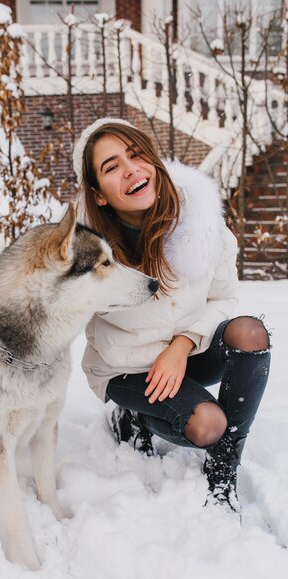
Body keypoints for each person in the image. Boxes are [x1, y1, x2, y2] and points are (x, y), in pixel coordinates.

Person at [73, 118, 271, 514]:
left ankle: (223, 468)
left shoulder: (199, 221)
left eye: (136, 154)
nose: (131, 169)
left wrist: (182, 345)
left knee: (250, 333)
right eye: (111, 167)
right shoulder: (84, 250)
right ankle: (133, 420)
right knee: (207, 425)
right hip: (126, 370)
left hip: (188, 354)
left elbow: (223, 297)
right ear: (98, 195)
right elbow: (37, 292)